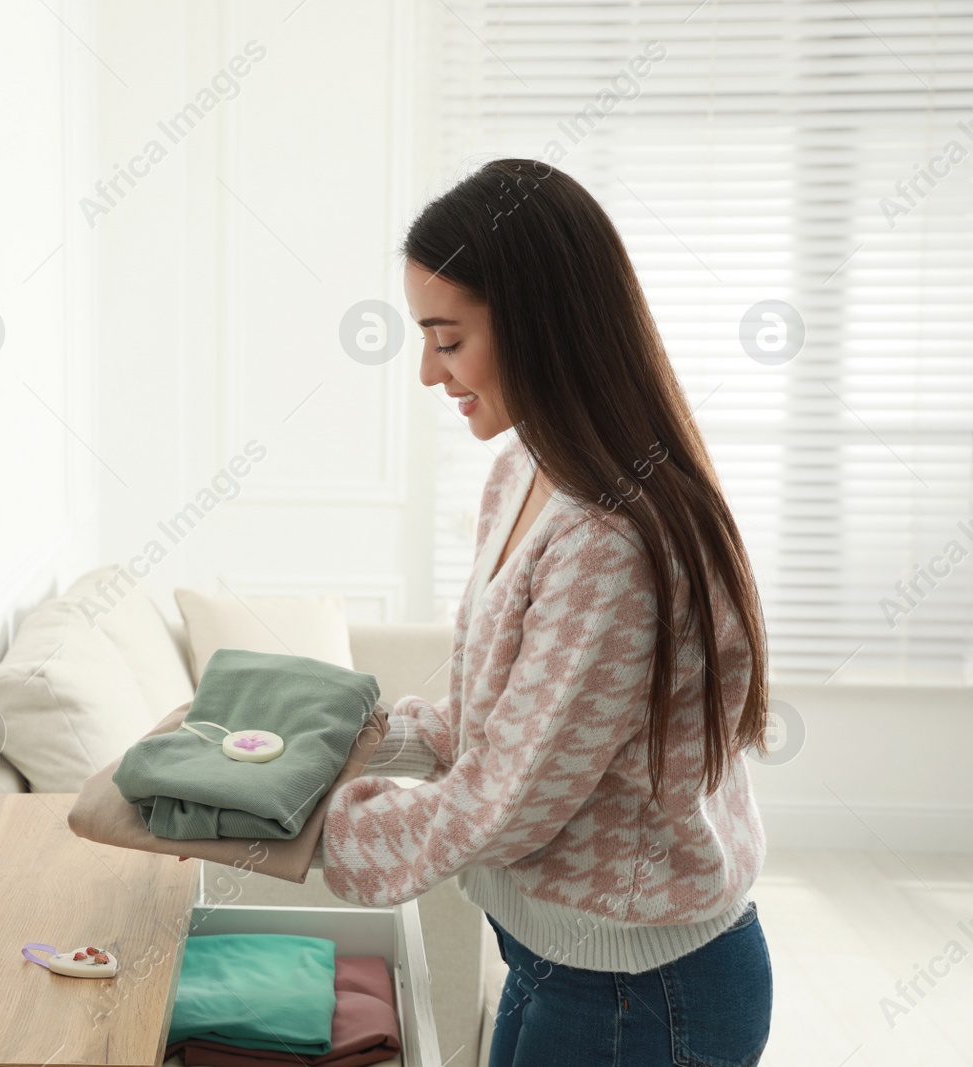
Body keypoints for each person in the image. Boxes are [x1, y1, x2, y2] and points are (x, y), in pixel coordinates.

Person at [319, 159, 775, 1066]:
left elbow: (506, 802)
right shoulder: (521, 474)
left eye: (446, 340)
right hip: (556, 960)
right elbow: (503, 722)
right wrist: (338, 739)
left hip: (643, 992)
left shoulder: (609, 541)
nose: (425, 370)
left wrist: (293, 826)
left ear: (536, 326)